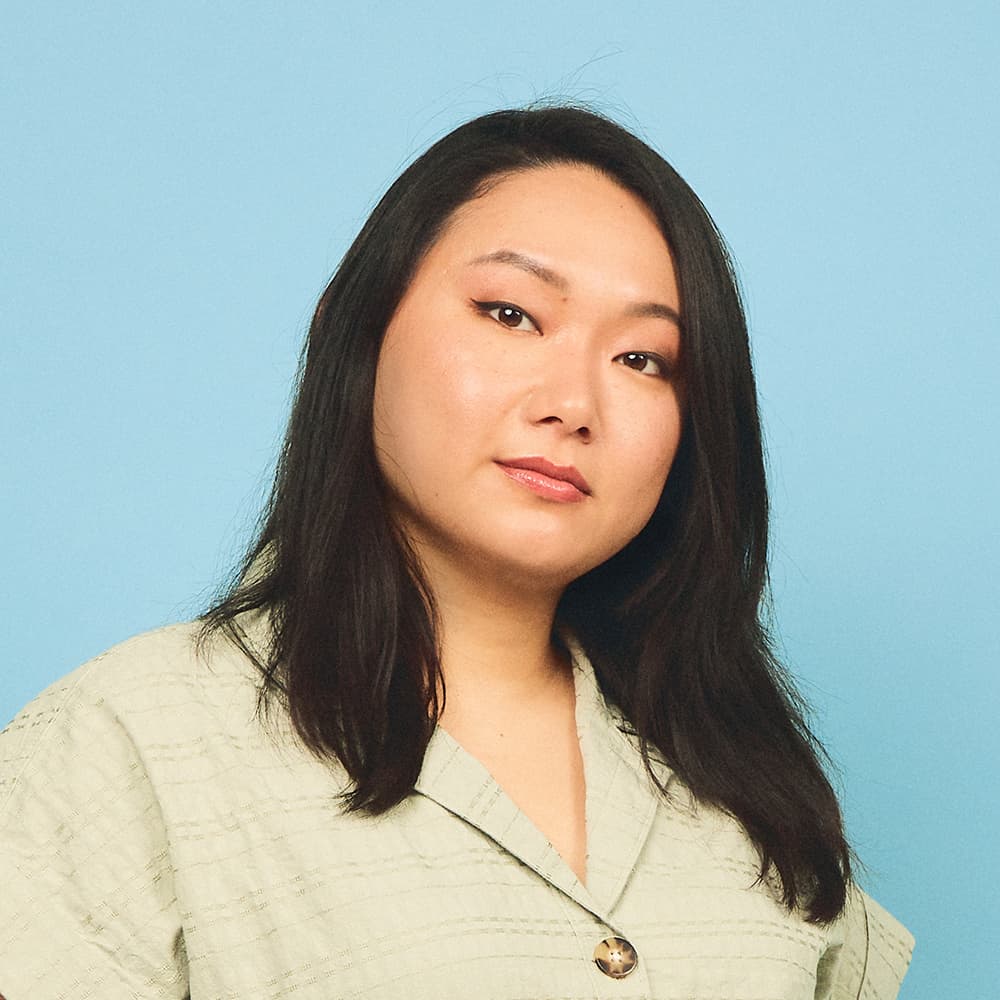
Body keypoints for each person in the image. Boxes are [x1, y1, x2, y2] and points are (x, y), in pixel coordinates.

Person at [0, 106, 913, 999]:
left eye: (643, 360)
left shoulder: (748, 791)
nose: (574, 403)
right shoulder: (132, 743)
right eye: (511, 313)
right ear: (352, 330)